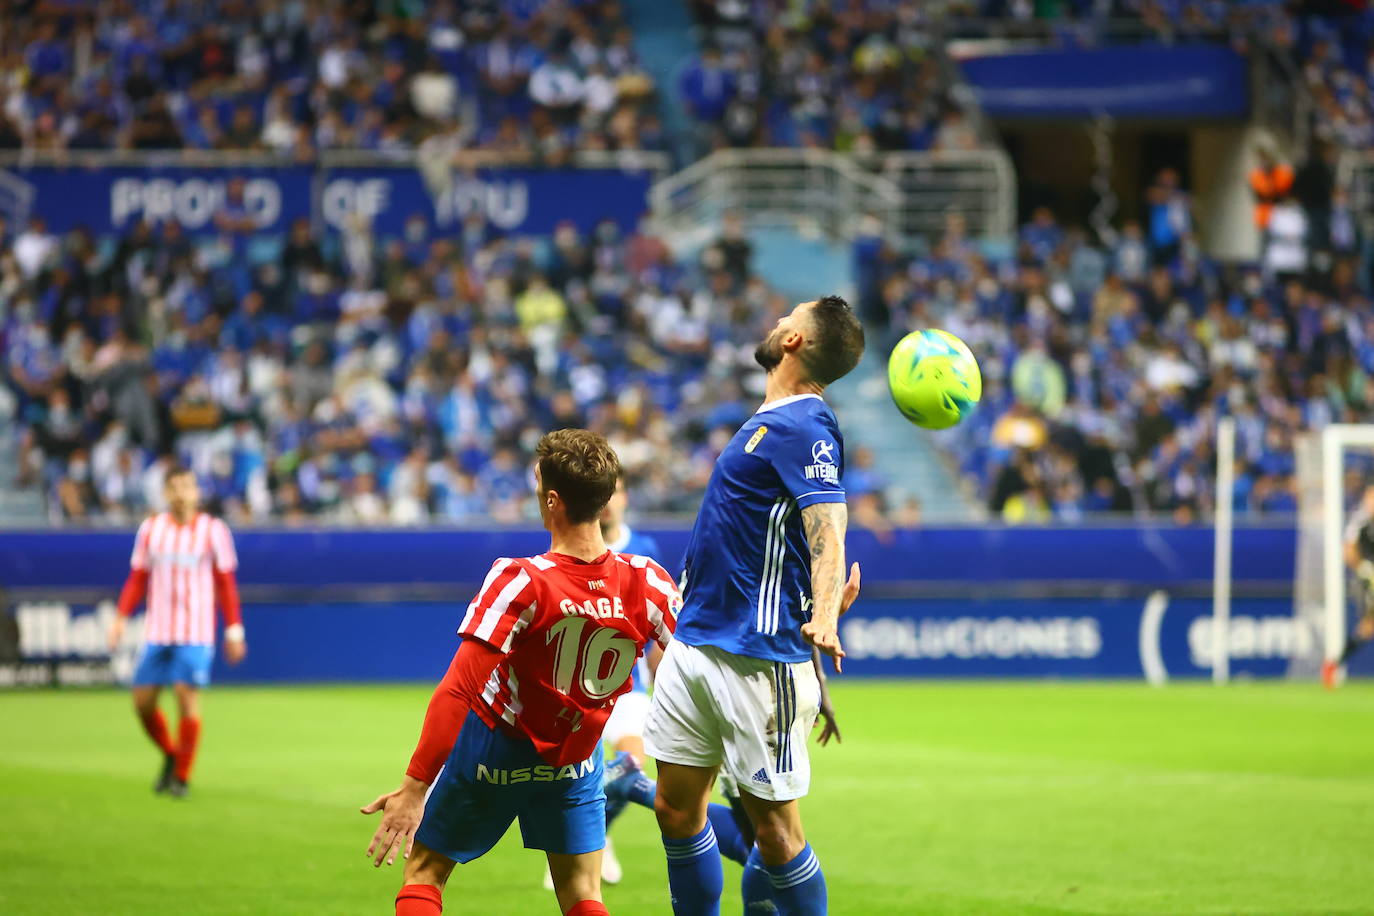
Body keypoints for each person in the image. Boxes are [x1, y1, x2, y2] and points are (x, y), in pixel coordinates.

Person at [361, 429, 679, 916]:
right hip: (576, 757)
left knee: (425, 873)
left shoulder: (521, 580)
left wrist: (414, 787)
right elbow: (694, 670)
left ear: (552, 501)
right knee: (581, 891)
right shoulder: (649, 581)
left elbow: (458, 689)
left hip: (496, 747)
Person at [643, 296, 865, 915]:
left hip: (756, 658)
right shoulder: (770, 420)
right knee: (676, 810)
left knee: (775, 833)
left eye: (785, 319)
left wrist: (823, 615)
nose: (773, 324)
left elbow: (828, 524)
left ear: (794, 340)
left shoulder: (806, 426)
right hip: (698, 643)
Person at [543, 474, 664, 888]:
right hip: (579, 692)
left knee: (631, 765)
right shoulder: (569, 549)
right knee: (577, 774)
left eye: (616, 494)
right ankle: (575, 844)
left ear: (625, 499)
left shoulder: (644, 550)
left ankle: (598, 833)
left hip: (630, 686)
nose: (609, 503)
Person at [105, 466, 246, 797]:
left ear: (196, 491)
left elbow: (225, 584)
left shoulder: (214, 531)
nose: (182, 493)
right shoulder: (152, 530)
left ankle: (181, 777)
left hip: (195, 630)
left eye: (187, 486)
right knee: (142, 702)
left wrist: (234, 629)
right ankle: (171, 753)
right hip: (158, 629)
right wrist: (120, 618)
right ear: (166, 494)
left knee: (186, 697)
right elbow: (138, 577)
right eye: (175, 487)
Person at [1324, 486, 1374, 689]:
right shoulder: (1360, 521)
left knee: (1368, 628)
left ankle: (1332, 664)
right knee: (1368, 626)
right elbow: (1349, 550)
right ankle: (1333, 665)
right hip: (1366, 580)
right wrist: (1363, 568)